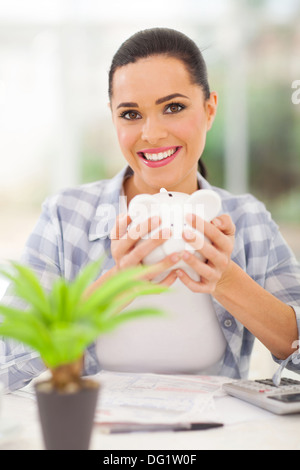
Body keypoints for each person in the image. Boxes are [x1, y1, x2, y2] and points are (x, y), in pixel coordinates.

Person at [1, 27, 300, 392]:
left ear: (209, 110)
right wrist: (105, 294)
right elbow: (8, 365)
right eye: (130, 114)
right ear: (113, 118)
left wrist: (226, 279)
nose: (152, 133)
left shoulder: (248, 220)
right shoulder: (67, 217)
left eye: (173, 107)